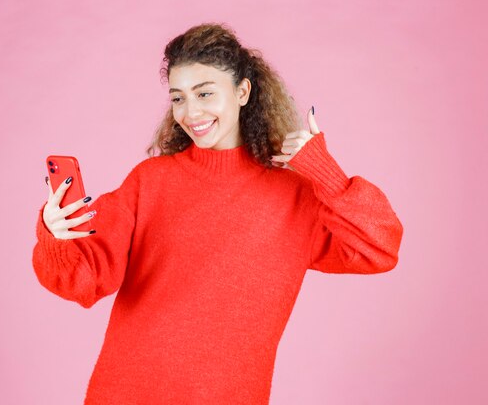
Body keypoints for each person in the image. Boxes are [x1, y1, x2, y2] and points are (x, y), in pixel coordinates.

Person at [32, 22, 404, 404]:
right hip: (127, 391)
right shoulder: (151, 181)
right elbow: (85, 280)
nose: (191, 112)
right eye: (178, 98)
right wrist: (57, 233)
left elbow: (380, 248)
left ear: (242, 92)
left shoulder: (294, 196)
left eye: (205, 93)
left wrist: (325, 172)